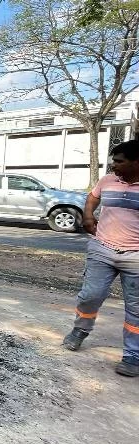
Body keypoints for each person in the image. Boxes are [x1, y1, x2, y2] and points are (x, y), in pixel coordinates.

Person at [62, 140, 139, 377]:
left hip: (136, 256)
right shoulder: (107, 180)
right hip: (102, 249)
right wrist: (88, 217)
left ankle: (133, 354)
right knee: (90, 296)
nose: (113, 166)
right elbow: (93, 198)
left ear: (136, 162)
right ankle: (80, 331)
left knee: (136, 309)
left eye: (119, 161)